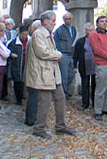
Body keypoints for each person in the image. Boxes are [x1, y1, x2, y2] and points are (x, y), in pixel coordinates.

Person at [25, 10, 75, 139]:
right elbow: (43, 53)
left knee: (61, 98)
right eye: (53, 20)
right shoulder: (38, 35)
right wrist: (58, 55)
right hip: (43, 74)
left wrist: (55, 55)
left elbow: (49, 52)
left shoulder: (46, 34)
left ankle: (60, 126)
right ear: (46, 21)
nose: (55, 23)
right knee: (45, 102)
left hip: (51, 73)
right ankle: (39, 128)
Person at [73, 22, 96, 111]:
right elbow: (76, 54)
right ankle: (85, 104)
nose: (90, 32)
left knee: (95, 85)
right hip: (84, 66)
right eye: (88, 30)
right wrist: (74, 66)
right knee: (85, 85)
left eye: (92, 30)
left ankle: (95, 103)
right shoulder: (80, 41)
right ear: (85, 31)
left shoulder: (97, 40)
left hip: (95, 66)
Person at [53, 12, 77, 99]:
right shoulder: (59, 30)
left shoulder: (74, 29)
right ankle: (63, 93)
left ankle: (66, 90)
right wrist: (59, 54)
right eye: (66, 19)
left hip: (72, 54)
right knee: (64, 75)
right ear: (63, 20)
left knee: (71, 74)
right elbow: (55, 42)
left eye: (69, 19)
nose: (67, 21)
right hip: (63, 54)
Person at [7, 24, 30, 105]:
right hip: (17, 64)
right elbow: (8, 52)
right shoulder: (13, 43)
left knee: (26, 81)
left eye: (26, 34)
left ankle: (25, 96)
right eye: (23, 34)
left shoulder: (30, 41)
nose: (24, 36)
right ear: (19, 34)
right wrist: (12, 54)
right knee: (18, 82)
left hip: (27, 64)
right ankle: (18, 99)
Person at [24, 20, 41, 126]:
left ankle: (30, 118)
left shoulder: (33, 38)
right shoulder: (35, 39)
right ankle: (31, 118)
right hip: (34, 71)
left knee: (33, 96)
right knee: (33, 96)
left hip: (32, 71)